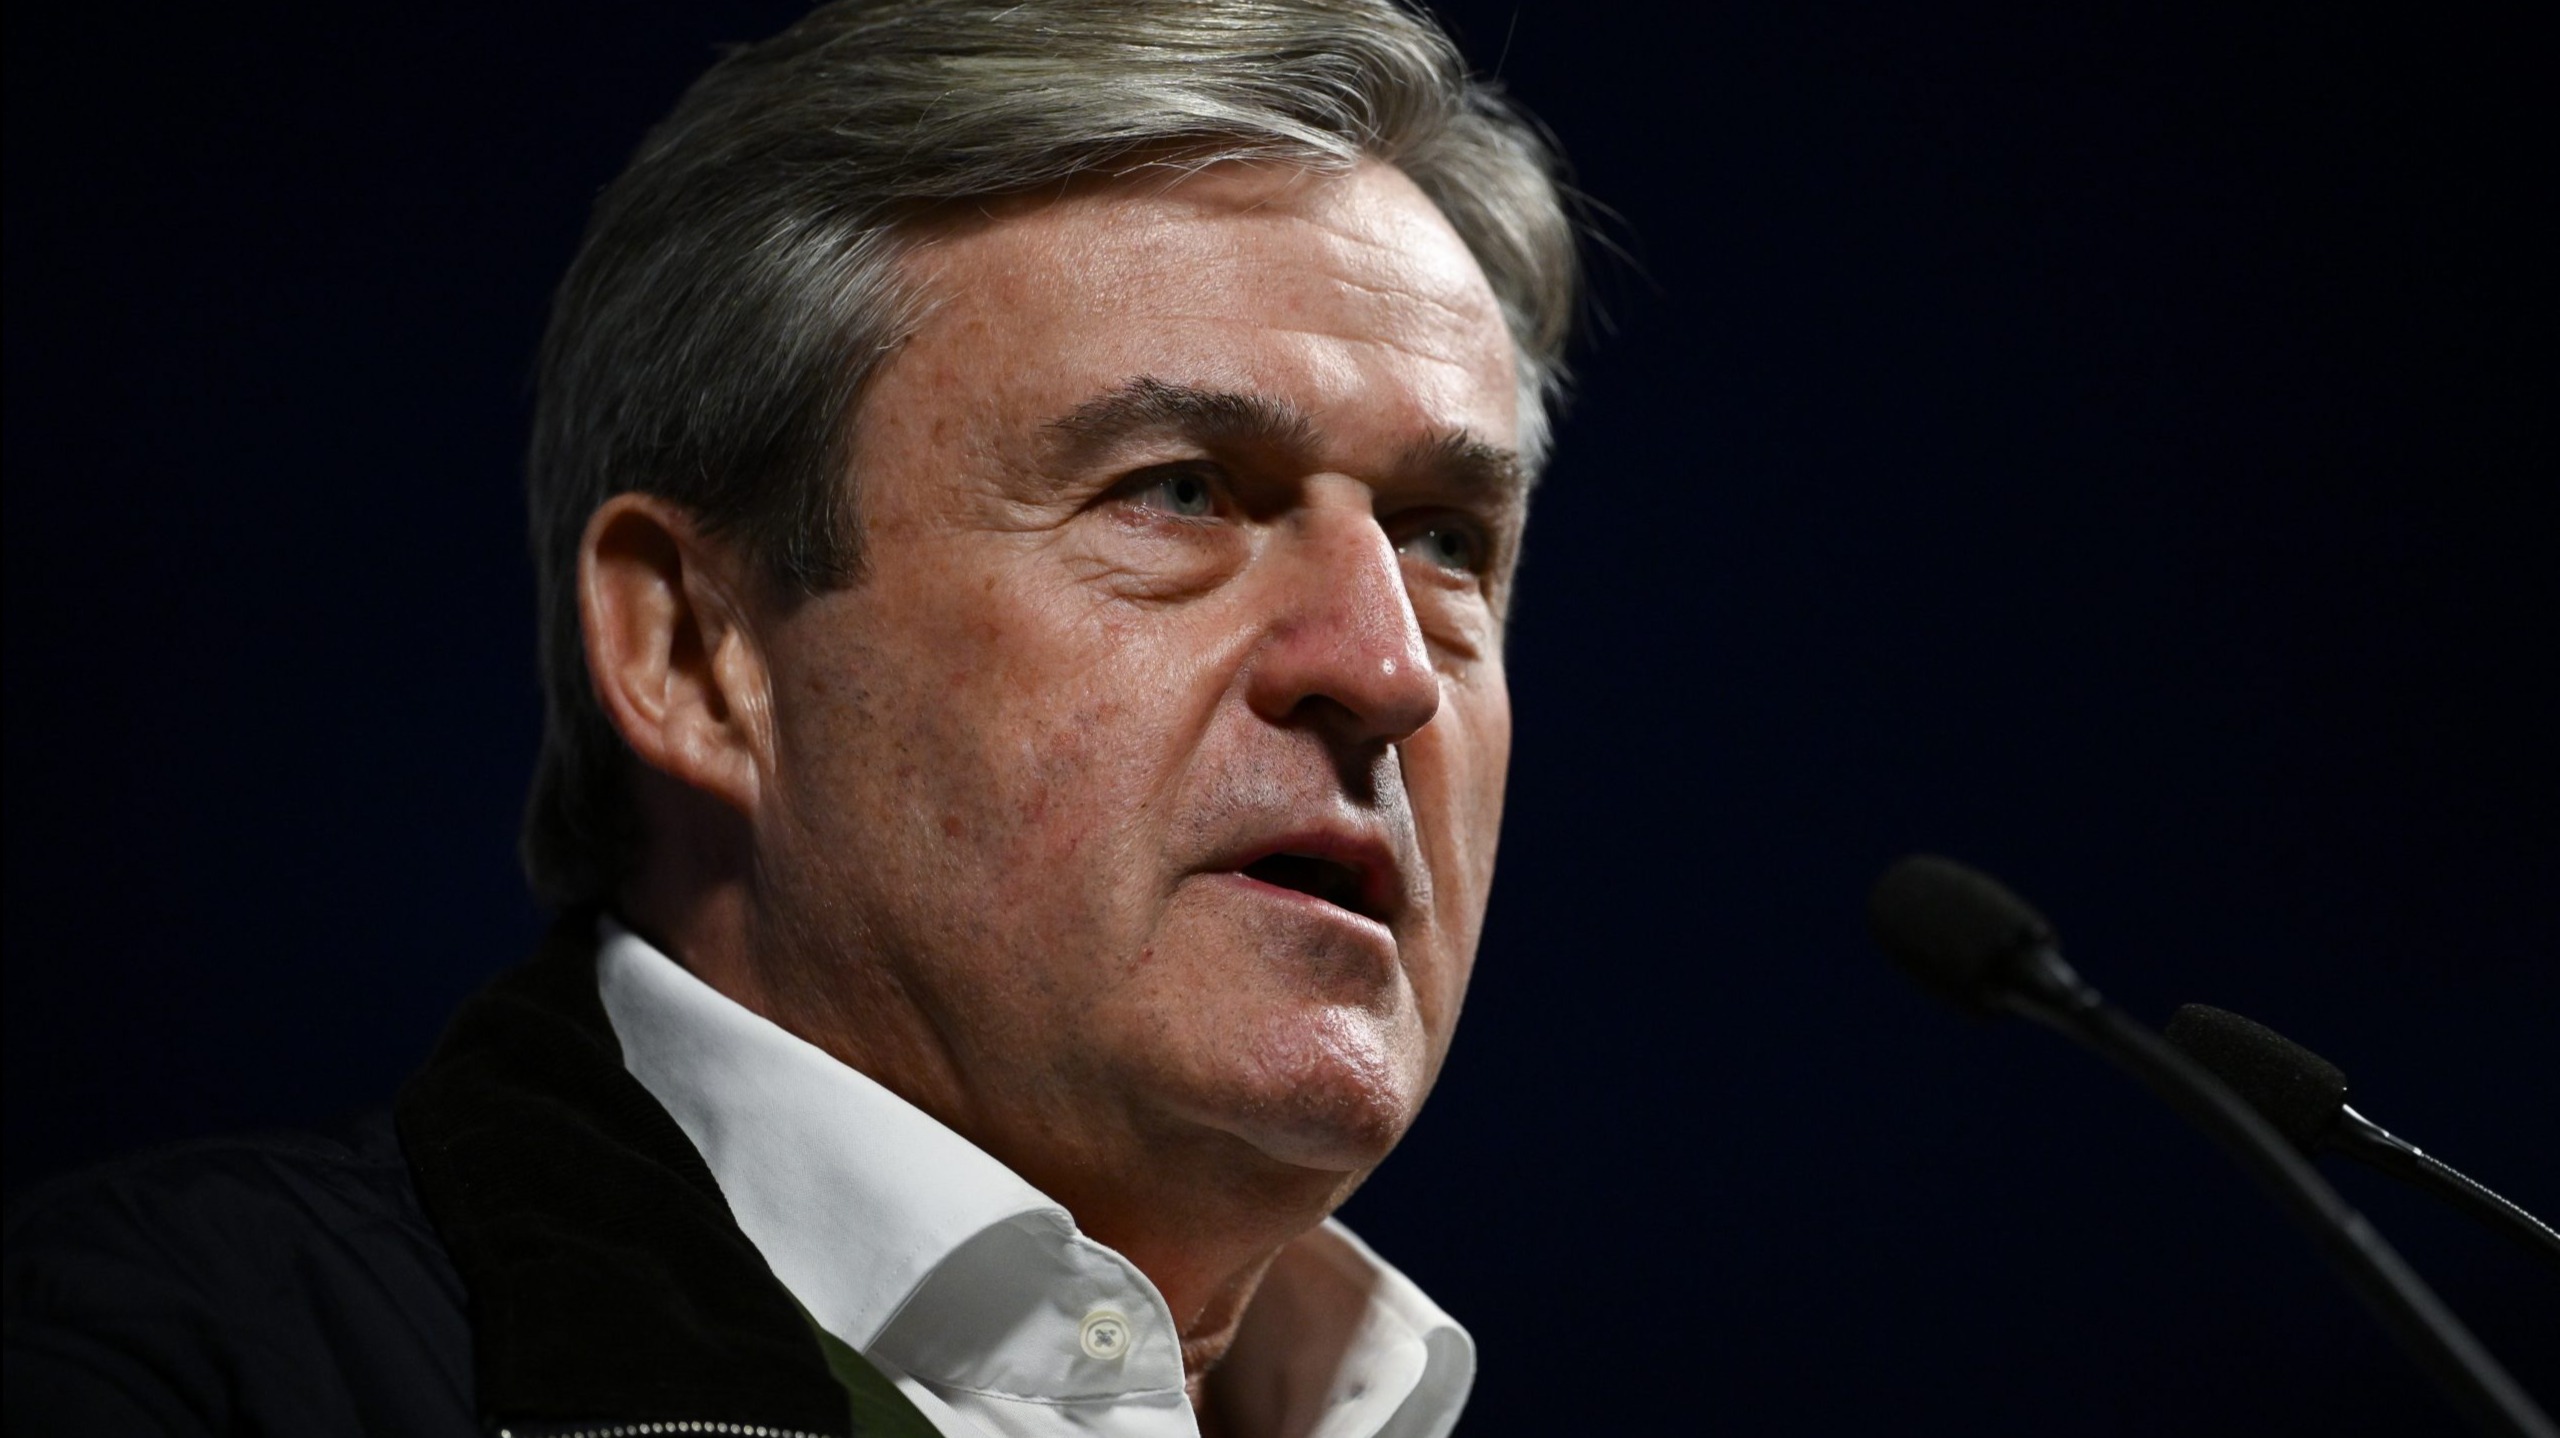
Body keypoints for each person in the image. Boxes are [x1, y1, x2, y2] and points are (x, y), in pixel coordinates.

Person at [3, 2, 1577, 1434]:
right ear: (699, 654)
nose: (1387, 668)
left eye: (1447, 540)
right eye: (1179, 493)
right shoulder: (157, 1366)